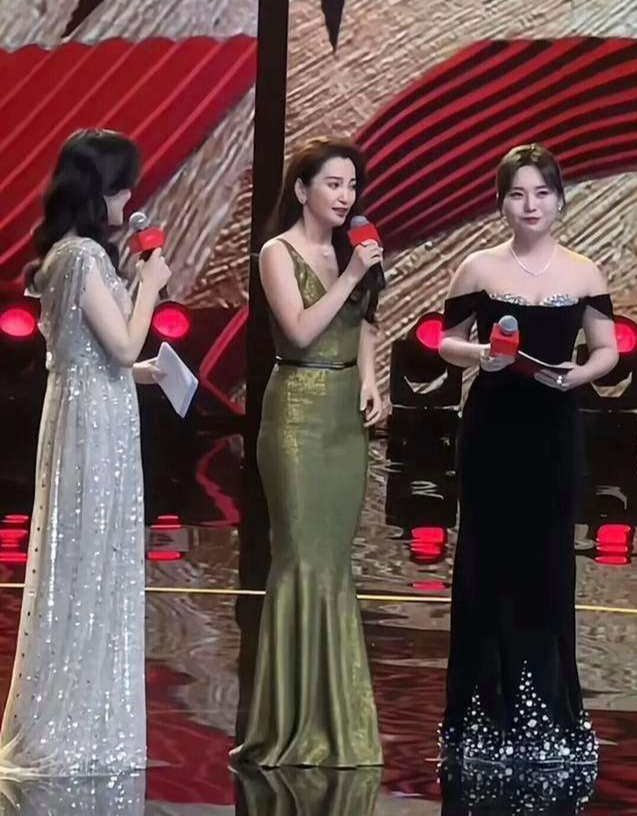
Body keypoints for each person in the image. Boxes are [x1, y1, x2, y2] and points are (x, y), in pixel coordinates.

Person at [438, 143, 618, 765]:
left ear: (560, 200)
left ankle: (546, 715)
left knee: (547, 564)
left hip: (554, 427)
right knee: (485, 561)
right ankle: (481, 718)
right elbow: (446, 342)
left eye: (542, 193)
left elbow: (607, 350)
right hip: (492, 428)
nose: (530, 205)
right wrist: (481, 356)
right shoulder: (478, 268)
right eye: (517, 194)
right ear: (501, 203)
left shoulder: (584, 272)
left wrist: (578, 375)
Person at [0, 129, 171, 777]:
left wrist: (144, 372)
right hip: (94, 422)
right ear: (98, 190)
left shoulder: (70, 256)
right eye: (122, 188)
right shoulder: (80, 256)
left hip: (90, 407)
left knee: (91, 558)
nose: (130, 200)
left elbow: (94, 353)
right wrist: (149, 284)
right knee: (89, 559)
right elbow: (122, 345)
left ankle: (84, 718)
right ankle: (73, 727)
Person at [231, 137, 384, 767]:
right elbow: (297, 331)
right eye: (333, 184)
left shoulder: (355, 250)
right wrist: (350, 276)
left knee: (334, 563)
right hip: (296, 412)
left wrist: (371, 379)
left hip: (345, 417)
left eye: (352, 185)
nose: (346, 196)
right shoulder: (278, 251)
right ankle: (288, 725)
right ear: (302, 190)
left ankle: (337, 723)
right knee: (298, 558)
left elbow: (366, 322)